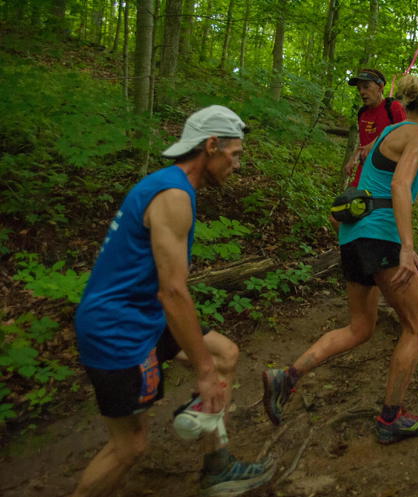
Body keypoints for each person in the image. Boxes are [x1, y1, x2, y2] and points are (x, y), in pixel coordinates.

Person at [71, 105, 274, 497]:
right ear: (211, 146)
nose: (237, 165)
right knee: (129, 446)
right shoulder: (173, 195)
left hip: (141, 314)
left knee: (224, 355)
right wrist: (200, 372)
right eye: (235, 155)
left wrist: (207, 366)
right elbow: (173, 291)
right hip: (117, 327)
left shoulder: (172, 185)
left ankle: (218, 467)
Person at [263, 74, 418, 444]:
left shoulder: (384, 134)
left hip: (353, 237)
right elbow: (399, 186)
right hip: (382, 238)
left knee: (360, 328)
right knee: (417, 327)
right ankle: (391, 419)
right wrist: (407, 247)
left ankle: (286, 377)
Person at [343, 68, 407, 188]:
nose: (362, 92)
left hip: (386, 175)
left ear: (380, 87)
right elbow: (364, 143)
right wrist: (353, 158)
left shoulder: (394, 108)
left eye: (366, 87)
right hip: (364, 172)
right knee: (348, 201)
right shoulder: (363, 113)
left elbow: (404, 138)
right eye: (359, 89)